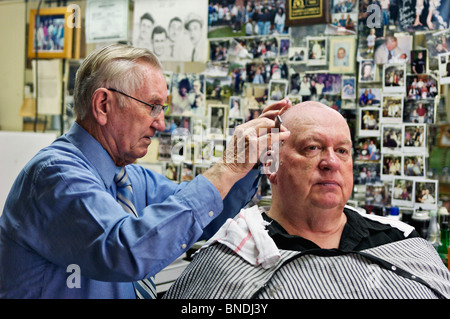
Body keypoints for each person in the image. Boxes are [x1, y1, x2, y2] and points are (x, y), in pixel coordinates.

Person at [0, 44, 291, 298]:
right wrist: (226, 168)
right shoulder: (56, 176)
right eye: (152, 107)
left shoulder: (129, 177)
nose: (161, 124)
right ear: (103, 105)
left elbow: (206, 216)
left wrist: (249, 159)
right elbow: (124, 250)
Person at [163, 101, 450, 299]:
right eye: (312, 148)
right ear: (271, 164)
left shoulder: (400, 241)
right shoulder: (230, 259)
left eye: (342, 151)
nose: (330, 162)